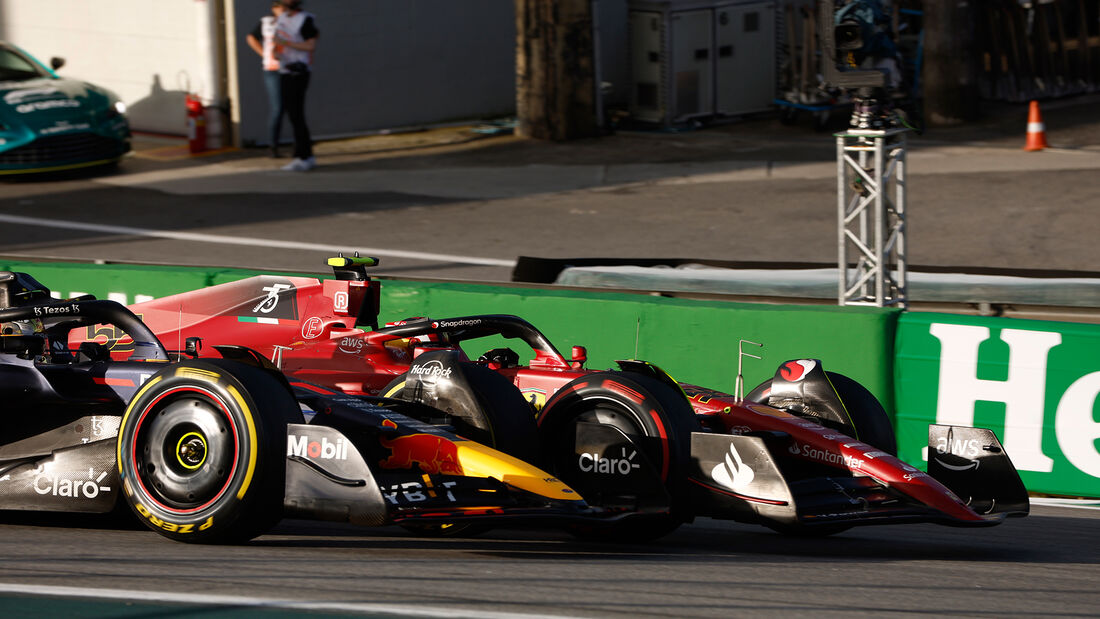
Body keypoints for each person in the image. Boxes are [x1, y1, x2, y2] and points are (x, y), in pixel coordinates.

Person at [274, 0, 319, 171]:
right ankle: (305, 154)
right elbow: (278, 40)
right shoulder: (282, 18)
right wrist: (276, 52)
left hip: (299, 71)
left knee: (296, 113)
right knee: (291, 112)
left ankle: (303, 156)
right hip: (285, 69)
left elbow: (310, 45)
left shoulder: (305, 19)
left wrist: (286, 44)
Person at [245, 2, 285, 157]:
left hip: (289, 69)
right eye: (279, 7)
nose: (282, 10)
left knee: (292, 108)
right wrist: (264, 54)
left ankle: (299, 145)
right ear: (274, 8)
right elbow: (251, 38)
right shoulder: (267, 22)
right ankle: (273, 145)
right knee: (278, 108)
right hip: (272, 69)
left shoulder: (293, 22)